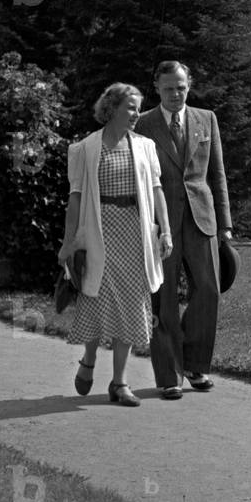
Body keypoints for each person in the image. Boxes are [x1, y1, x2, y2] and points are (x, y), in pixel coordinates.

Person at [58, 83, 173, 406]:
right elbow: (76, 198)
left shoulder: (145, 146)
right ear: (112, 108)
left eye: (138, 107)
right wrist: (68, 244)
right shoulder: (85, 148)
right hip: (98, 233)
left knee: (132, 303)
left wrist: (165, 231)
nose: (137, 113)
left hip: (135, 234)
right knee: (95, 299)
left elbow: (156, 190)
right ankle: (89, 358)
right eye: (132, 107)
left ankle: (119, 383)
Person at [134, 61, 232, 400]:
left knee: (209, 290)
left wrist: (226, 225)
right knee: (164, 299)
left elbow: (217, 175)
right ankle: (169, 376)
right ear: (157, 88)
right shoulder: (143, 123)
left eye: (181, 87)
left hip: (202, 218)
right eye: (168, 88)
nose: (176, 94)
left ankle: (195, 364)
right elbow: (140, 178)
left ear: (189, 85)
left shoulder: (207, 119)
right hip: (161, 222)